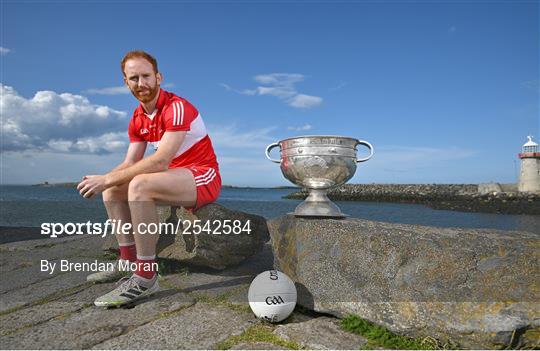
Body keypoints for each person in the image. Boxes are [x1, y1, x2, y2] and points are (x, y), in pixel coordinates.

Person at [77, 50, 221, 307]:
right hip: (171, 177)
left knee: (139, 184)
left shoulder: (177, 107)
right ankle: (128, 260)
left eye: (146, 76)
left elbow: (160, 160)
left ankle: (145, 276)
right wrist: (106, 179)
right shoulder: (138, 117)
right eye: (133, 78)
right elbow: (130, 162)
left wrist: (108, 179)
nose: (141, 83)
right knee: (113, 190)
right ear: (125, 82)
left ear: (158, 77)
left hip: (202, 175)